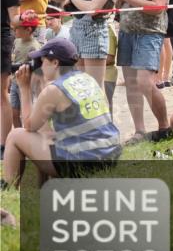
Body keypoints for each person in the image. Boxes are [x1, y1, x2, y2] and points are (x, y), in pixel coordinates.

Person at [2, 38, 121, 188]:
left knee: (15, 135)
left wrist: (24, 89)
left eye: (43, 61)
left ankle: (8, 186)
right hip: (108, 157)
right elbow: (44, 130)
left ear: (55, 63)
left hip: (82, 164)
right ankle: (43, 190)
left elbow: (29, 126)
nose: (40, 66)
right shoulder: (87, 79)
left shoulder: (54, 89)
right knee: (46, 135)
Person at [117, 0, 171, 141]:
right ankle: (139, 130)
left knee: (145, 82)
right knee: (131, 83)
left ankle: (164, 127)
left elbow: (158, 7)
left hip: (150, 33)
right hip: (127, 31)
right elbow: (120, 3)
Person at [1, 0, 19, 149]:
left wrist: (24, 18)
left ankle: (3, 145)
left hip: (1, 38)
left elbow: (14, 18)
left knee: (1, 94)